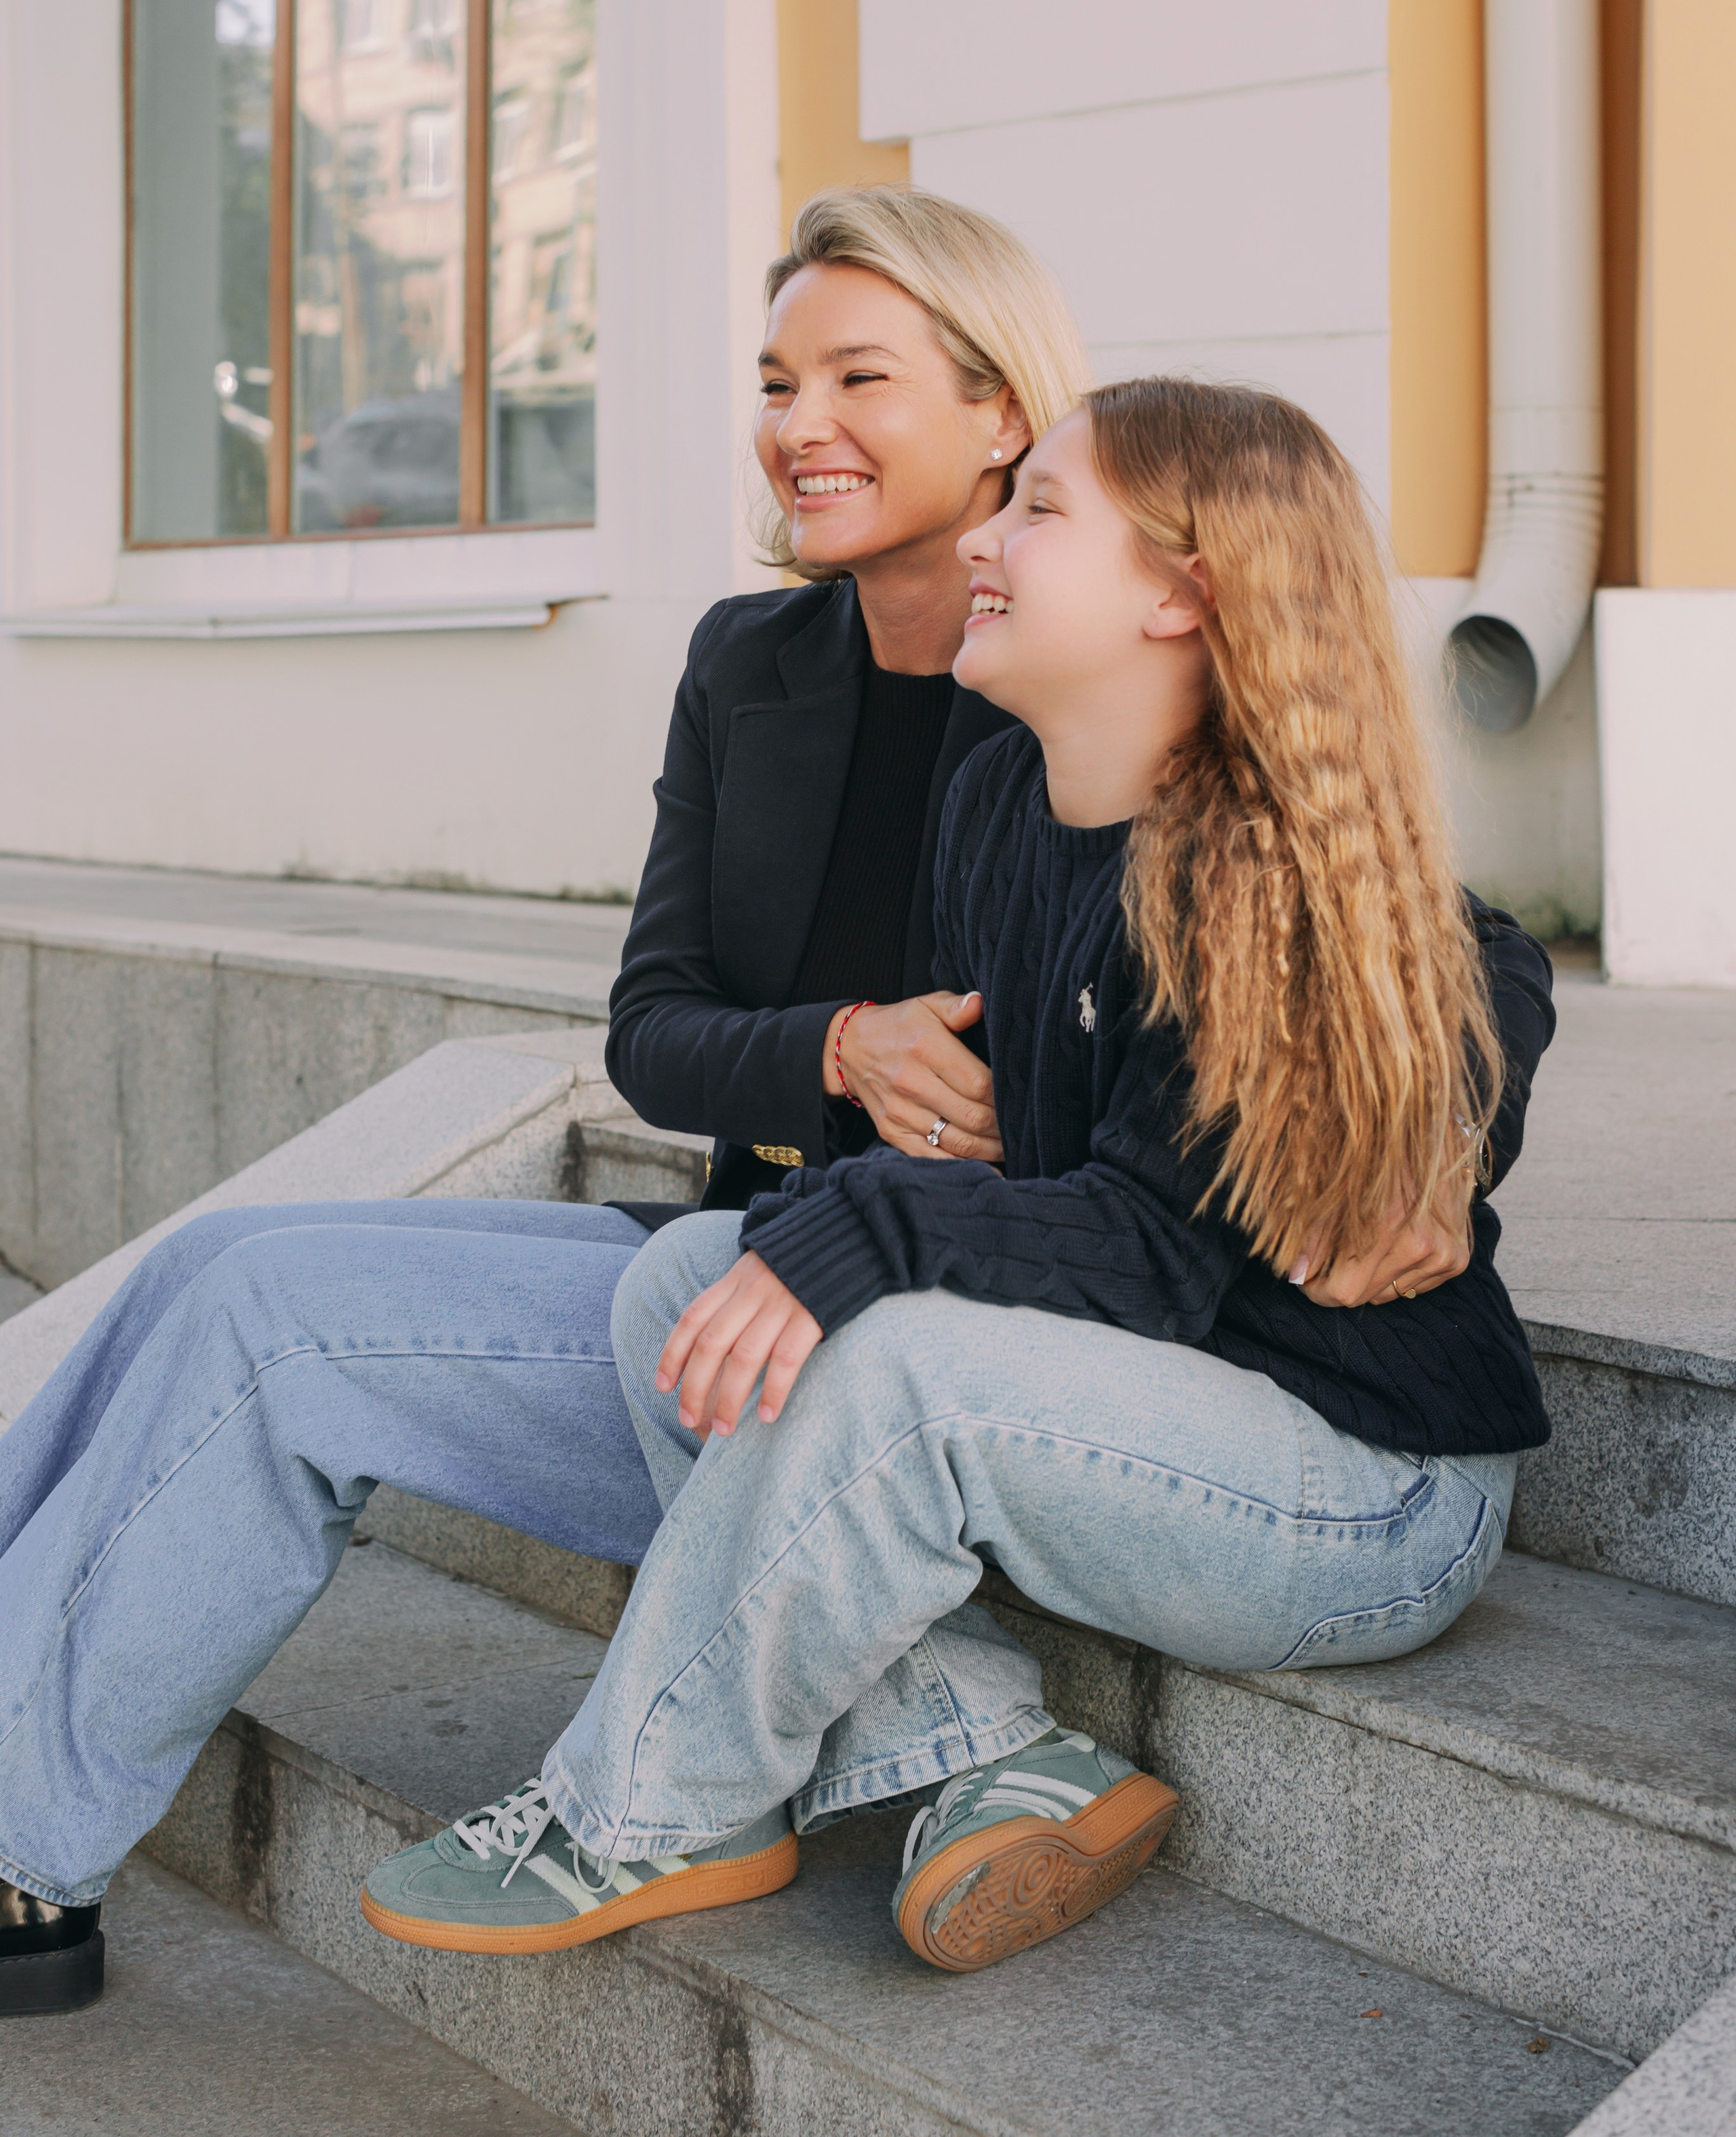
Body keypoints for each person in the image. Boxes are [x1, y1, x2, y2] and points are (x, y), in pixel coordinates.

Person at [0, 189, 1090, 2015]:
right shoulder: (753, 667)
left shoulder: (1078, 680)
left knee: (272, 1330)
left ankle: (23, 1856)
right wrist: (833, 1045)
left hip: (912, 1333)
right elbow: (657, 1027)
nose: (796, 422)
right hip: (733, 1264)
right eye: (774, 379)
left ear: (1001, 411)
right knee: (221, 1272)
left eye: (857, 376)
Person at [358, 377, 1554, 1978]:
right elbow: (1022, 1190)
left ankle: (634, 1806)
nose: (983, 538)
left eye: (1038, 510)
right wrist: (850, 1205)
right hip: (1148, 1399)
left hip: (1364, 1485)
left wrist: (1445, 1105)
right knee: (687, 1277)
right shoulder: (998, 797)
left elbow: (1151, 1252)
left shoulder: (1254, 869)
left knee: (894, 1356)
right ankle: (983, 1748)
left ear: (1177, 594)